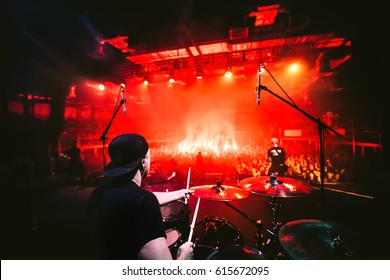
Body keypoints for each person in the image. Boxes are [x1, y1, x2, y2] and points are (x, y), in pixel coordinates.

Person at [79, 133, 194, 260]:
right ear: (143, 162)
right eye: (149, 156)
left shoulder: (100, 191)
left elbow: (137, 199)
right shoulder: (144, 201)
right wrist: (183, 257)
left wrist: (179, 193)